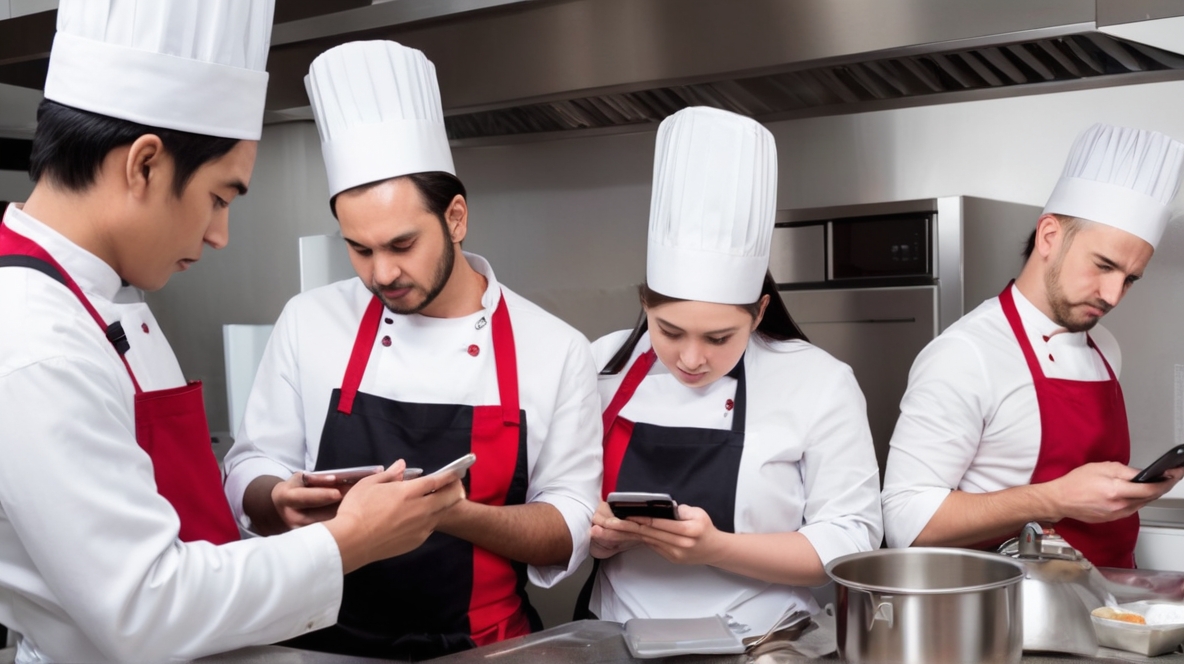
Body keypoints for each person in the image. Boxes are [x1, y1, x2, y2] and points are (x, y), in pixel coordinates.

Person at [0, 3, 464, 662]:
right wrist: (348, 540)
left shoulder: (99, 298)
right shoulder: (33, 341)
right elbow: (145, 607)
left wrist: (279, 510)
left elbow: (175, 524)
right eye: (220, 198)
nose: (219, 235)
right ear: (144, 166)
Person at [221, 40, 602, 661]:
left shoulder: (553, 348)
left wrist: (451, 513)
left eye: (402, 244)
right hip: (318, 642)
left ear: (455, 218)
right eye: (359, 248)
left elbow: (568, 527)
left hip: (480, 648)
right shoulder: (309, 320)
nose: (381, 273)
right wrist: (275, 497)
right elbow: (250, 463)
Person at [584, 106, 883, 633]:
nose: (692, 358)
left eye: (720, 338)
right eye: (669, 331)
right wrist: (591, 534)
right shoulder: (601, 366)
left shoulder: (818, 382)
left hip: (767, 642)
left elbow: (851, 539)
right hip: (617, 639)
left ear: (759, 313)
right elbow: (555, 501)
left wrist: (717, 548)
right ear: (644, 304)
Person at [881, 123, 1184, 567]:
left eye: (1130, 279)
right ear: (1048, 236)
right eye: (1103, 265)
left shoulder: (1105, 347)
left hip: (1112, 608)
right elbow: (906, 522)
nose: (1113, 294)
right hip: (1010, 619)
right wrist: (1054, 499)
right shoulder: (966, 354)